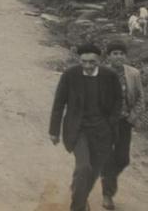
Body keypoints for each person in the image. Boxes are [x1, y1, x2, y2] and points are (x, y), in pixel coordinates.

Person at [49, 43, 123, 211]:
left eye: (92, 62)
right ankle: (78, 206)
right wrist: (54, 131)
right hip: (78, 129)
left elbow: (118, 101)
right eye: (84, 62)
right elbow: (59, 103)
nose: (88, 66)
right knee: (83, 168)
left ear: (99, 60)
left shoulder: (109, 75)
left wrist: (111, 123)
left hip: (102, 132)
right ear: (79, 59)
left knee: (93, 172)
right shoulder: (70, 75)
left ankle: (80, 195)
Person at [100, 41, 145, 210]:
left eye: (121, 53)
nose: (118, 56)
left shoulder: (133, 73)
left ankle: (106, 176)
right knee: (108, 157)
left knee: (123, 159)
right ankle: (107, 194)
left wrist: (133, 118)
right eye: (114, 53)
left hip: (125, 121)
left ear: (125, 56)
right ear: (109, 56)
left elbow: (140, 98)